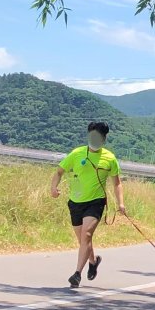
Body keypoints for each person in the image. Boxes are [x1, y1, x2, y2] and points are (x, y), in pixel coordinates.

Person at [50, 121, 126, 288]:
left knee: (87, 235)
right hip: (75, 202)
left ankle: (77, 274)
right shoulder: (76, 154)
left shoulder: (110, 158)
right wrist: (53, 187)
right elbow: (59, 172)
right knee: (82, 240)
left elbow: (117, 183)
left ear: (104, 139)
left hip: (96, 202)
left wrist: (121, 203)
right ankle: (93, 261)